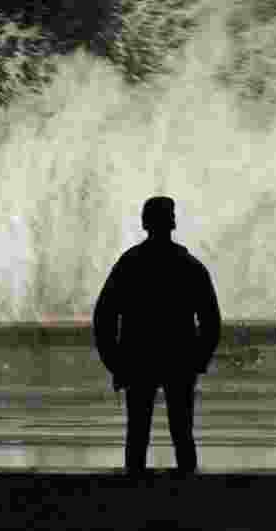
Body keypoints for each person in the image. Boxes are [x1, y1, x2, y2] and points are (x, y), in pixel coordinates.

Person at [93, 196, 222, 475]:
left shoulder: (129, 264)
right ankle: (188, 496)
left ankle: (134, 495)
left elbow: (104, 315)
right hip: (179, 361)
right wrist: (198, 360)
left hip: (138, 359)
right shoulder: (189, 266)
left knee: (137, 435)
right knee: (183, 434)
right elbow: (211, 320)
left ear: (145, 223)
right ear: (172, 222)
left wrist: (115, 361)